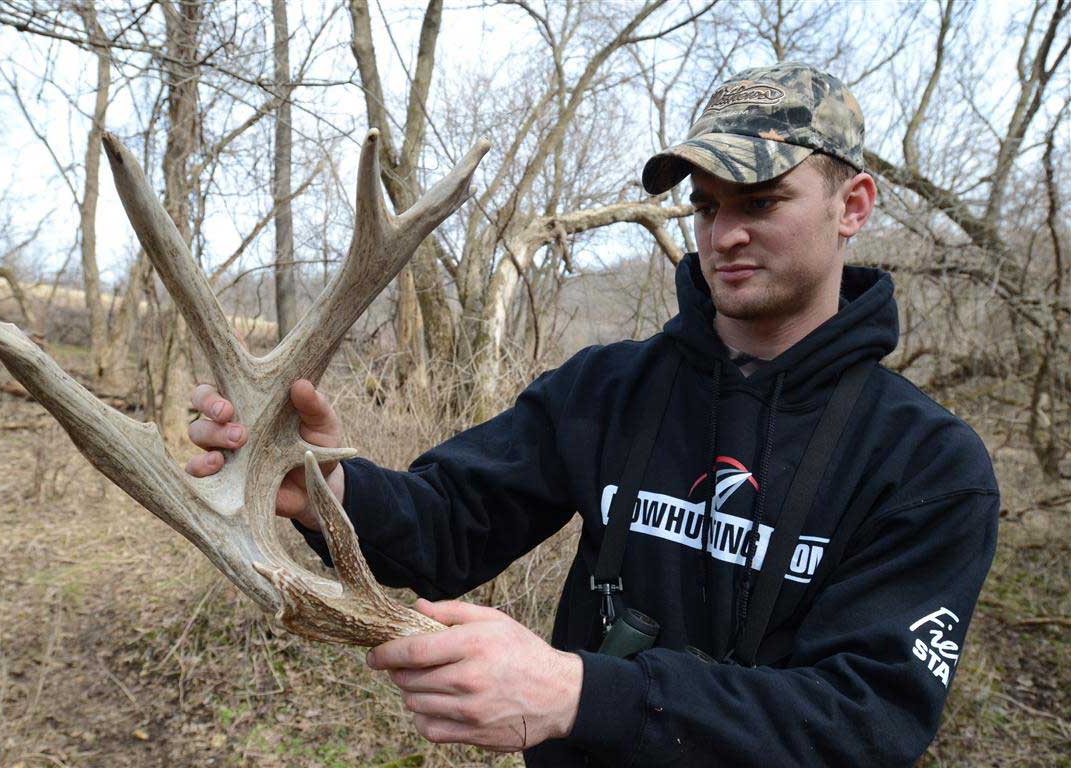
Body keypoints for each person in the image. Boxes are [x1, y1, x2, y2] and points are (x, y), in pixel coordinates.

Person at [186, 62, 999, 766]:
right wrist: (320, 483)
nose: (723, 235)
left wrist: (580, 693)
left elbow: (867, 722)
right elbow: (447, 527)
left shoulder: (926, 464)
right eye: (706, 207)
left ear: (851, 204)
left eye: (759, 202)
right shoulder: (607, 389)